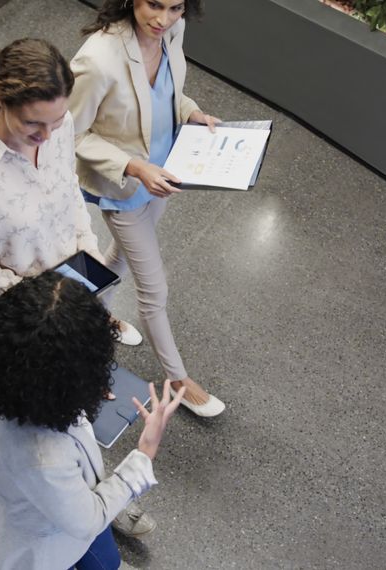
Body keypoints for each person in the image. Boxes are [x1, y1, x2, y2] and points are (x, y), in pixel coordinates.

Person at [0, 271, 185, 570]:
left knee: (106, 560)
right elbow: (87, 520)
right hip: (40, 549)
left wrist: (79, 394)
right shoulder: (44, 456)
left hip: (14, 507)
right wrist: (144, 453)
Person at [69, 0, 225, 417]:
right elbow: (71, 133)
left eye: (175, 7)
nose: (163, 19)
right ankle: (178, 378)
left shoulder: (171, 31)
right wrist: (135, 166)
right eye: (153, 5)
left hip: (162, 178)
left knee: (118, 257)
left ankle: (88, 316)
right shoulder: (97, 60)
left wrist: (190, 112)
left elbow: (167, 93)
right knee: (153, 288)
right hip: (124, 186)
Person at [0, 37, 141, 346]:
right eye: (32, 123)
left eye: (54, 121)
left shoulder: (62, 125)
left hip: (73, 278)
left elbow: (69, 188)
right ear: (1, 101)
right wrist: (24, 291)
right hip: (23, 310)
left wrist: (89, 251)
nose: (46, 136)